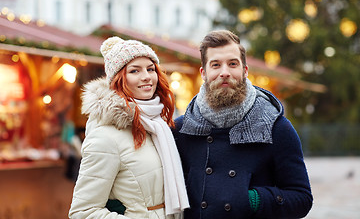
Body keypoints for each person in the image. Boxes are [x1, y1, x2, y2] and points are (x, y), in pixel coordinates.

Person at [172, 30, 313, 218]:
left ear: (245, 71)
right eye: (216, 65)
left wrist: (253, 200)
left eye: (232, 64)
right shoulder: (181, 130)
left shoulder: (275, 127)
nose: (224, 72)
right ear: (204, 73)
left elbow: (302, 198)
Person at [69, 36, 189, 219]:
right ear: (118, 79)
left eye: (150, 69)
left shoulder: (157, 127)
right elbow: (83, 212)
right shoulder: (105, 137)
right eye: (134, 71)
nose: (146, 77)